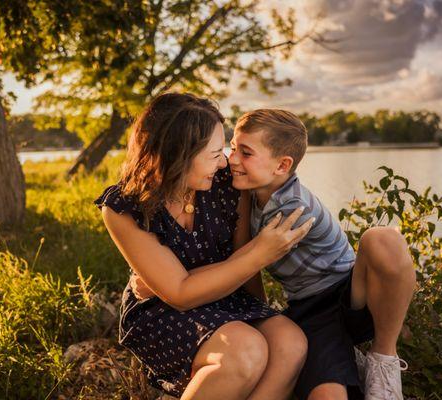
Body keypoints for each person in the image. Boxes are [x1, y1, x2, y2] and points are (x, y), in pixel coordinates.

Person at [134, 109, 417, 400]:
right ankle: (344, 356)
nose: (232, 160)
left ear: (282, 165)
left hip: (351, 295)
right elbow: (240, 261)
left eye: (245, 152)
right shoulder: (249, 191)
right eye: (232, 148)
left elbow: (244, 262)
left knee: (382, 238)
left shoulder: (290, 210)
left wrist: (162, 281)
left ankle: (384, 357)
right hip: (311, 313)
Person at [94, 93, 313, 399]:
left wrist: (261, 310)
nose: (225, 161)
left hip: (228, 296)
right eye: (214, 154)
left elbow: (241, 260)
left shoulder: (226, 182)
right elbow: (179, 293)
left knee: (290, 341)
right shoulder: (124, 207)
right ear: (178, 157)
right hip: (163, 310)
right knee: (245, 351)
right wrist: (261, 253)